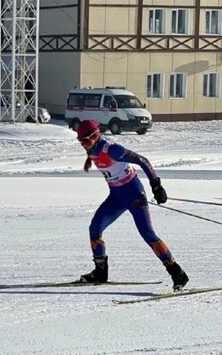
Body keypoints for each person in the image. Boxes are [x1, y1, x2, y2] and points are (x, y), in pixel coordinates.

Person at [76, 119, 189, 291]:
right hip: (116, 197)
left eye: (85, 140)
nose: (83, 144)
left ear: (95, 135)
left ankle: (177, 272)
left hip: (134, 195)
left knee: (148, 234)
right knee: (95, 228)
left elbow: (142, 160)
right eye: (80, 141)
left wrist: (156, 185)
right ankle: (100, 272)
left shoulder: (112, 149)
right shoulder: (92, 149)